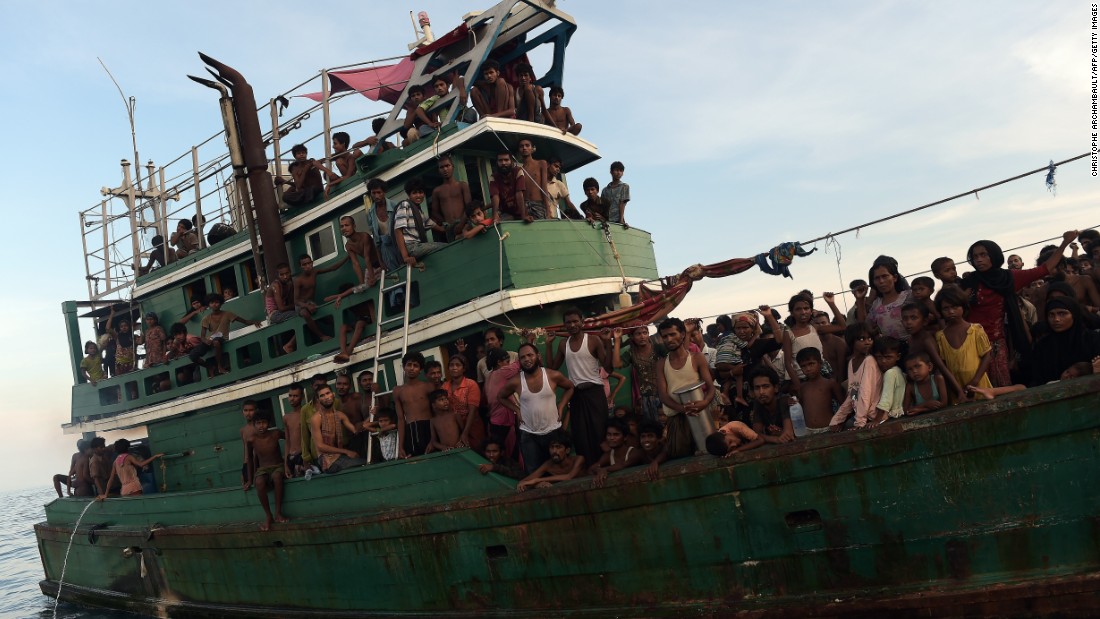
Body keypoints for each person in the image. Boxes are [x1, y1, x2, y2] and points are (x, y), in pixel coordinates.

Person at [959, 232, 1076, 386]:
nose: (979, 259)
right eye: (975, 256)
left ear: (994, 255)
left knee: (1000, 387)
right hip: (969, 344)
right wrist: (963, 298)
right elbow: (950, 306)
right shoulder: (969, 282)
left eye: (983, 255)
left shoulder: (1009, 278)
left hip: (996, 345)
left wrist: (1065, 243)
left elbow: (1044, 269)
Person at [648, 317, 715, 477]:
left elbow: (711, 388)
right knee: (681, 459)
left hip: (701, 416)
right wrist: (683, 409)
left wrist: (704, 403)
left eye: (672, 334)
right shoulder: (661, 364)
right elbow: (663, 396)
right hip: (677, 419)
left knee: (708, 455)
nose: (669, 339)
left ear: (683, 334)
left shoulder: (696, 358)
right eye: (665, 336)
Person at [545, 308, 613, 465]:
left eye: (575, 321)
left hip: (595, 392)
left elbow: (608, 368)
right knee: (580, 433)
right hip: (576, 394)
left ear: (582, 322)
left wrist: (608, 341)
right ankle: (587, 466)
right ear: (564, 325)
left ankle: (604, 464)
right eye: (568, 322)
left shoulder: (593, 340)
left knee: (599, 430)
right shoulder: (563, 344)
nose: (572, 325)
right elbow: (552, 368)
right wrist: (548, 345)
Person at [498, 342, 576, 474]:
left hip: (553, 431)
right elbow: (501, 397)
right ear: (519, 361)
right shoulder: (516, 381)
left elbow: (570, 387)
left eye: (530, 355)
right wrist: (517, 409)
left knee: (556, 468)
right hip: (529, 434)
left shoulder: (552, 375)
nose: (527, 359)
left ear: (538, 356)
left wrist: (561, 405)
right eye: (522, 357)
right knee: (533, 471)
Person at [935, 285, 993, 399]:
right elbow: (944, 365)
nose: (951, 311)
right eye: (946, 308)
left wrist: (975, 381)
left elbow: (987, 356)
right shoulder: (940, 337)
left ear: (963, 306)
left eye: (955, 307)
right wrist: (956, 388)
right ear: (940, 311)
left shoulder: (976, 330)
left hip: (979, 384)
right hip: (957, 389)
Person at [1027, 295, 1100, 385]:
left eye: (1062, 313)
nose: (1056, 319)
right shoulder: (1042, 346)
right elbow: (1036, 379)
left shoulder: (1093, 339)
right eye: (1051, 315)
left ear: (1074, 315)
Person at [782, 292, 846, 390]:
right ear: (792, 312)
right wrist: (799, 387)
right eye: (798, 309)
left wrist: (831, 303)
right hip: (803, 377)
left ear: (811, 311)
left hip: (823, 374)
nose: (803, 312)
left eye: (806, 308)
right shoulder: (789, 333)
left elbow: (842, 326)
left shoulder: (815, 328)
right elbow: (788, 363)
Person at [830, 322, 883, 430]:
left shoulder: (869, 361)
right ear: (851, 342)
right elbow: (853, 393)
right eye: (862, 339)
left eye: (870, 339)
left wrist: (860, 422)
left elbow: (865, 392)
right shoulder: (852, 362)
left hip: (872, 415)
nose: (867, 342)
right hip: (861, 415)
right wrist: (837, 420)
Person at [195, 293, 262, 376]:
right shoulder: (206, 318)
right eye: (212, 303)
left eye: (217, 302)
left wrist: (254, 322)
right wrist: (206, 341)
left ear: (221, 303)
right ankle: (210, 367)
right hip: (210, 340)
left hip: (221, 338)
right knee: (192, 355)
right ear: (209, 305)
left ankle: (220, 367)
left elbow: (245, 321)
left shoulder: (227, 314)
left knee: (216, 342)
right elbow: (202, 336)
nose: (214, 305)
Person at [245, 409, 289, 531]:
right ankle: (268, 515)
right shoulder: (251, 440)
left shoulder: (275, 434)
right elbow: (249, 459)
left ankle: (278, 513)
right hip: (263, 469)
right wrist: (249, 479)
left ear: (268, 423)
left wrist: (288, 461)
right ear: (254, 424)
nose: (261, 426)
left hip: (278, 466)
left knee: (276, 477)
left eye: (264, 422)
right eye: (258, 423)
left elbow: (290, 439)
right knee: (258, 482)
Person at [309, 384, 366, 473]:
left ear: (333, 394)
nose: (326, 397)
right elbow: (320, 446)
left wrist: (367, 420)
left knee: (363, 461)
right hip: (326, 460)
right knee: (360, 464)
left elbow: (355, 430)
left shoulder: (340, 415)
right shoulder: (316, 418)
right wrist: (346, 452)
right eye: (322, 396)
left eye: (328, 393)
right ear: (318, 400)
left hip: (340, 456)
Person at [612, 323, 662, 424]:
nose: (642, 336)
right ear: (632, 337)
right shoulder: (631, 353)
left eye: (645, 333)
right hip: (647, 398)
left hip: (664, 394)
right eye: (638, 334)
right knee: (652, 427)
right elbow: (616, 364)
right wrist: (617, 340)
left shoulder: (658, 348)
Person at [394, 178, 448, 266]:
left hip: (418, 247)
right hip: (411, 247)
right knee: (444, 247)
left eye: (420, 192)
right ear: (409, 195)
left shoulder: (419, 212)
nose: (418, 195)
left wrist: (450, 226)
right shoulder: (405, 205)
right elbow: (398, 230)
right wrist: (405, 257)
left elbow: (437, 227)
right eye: (414, 193)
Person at [858, 256, 912, 342]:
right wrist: (860, 300)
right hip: (890, 351)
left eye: (885, 276)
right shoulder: (876, 305)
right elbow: (864, 326)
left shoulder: (909, 296)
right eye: (877, 278)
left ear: (895, 278)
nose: (881, 281)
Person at [393, 351, 436, 458]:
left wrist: (433, 440)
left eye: (415, 366)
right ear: (403, 367)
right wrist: (400, 447)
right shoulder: (398, 391)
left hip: (428, 428)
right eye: (409, 365)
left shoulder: (428, 387)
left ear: (420, 369)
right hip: (410, 430)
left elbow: (437, 415)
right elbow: (401, 419)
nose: (412, 368)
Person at [516, 429, 585, 492]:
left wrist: (537, 480)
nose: (554, 451)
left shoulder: (578, 460)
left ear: (567, 450)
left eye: (558, 447)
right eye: (552, 447)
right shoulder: (548, 465)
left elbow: (569, 476)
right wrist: (537, 484)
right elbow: (524, 481)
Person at [794, 347, 844, 434]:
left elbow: (843, 405)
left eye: (811, 364)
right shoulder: (802, 387)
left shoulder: (829, 383)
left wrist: (840, 423)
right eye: (803, 366)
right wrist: (793, 403)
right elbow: (800, 408)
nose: (808, 369)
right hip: (808, 430)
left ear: (820, 363)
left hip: (828, 428)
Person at [293, 254, 339, 345]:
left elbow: (332, 268)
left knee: (326, 315)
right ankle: (322, 336)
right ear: (301, 266)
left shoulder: (314, 272)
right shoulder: (298, 280)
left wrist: (348, 256)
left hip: (311, 303)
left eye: (309, 263)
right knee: (305, 313)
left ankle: (342, 329)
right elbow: (296, 301)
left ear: (312, 263)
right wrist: (306, 306)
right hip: (301, 305)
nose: (307, 266)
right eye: (304, 264)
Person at [484, 347, 522, 461]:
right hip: (504, 422)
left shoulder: (489, 377)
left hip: (495, 422)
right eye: (506, 362)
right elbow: (521, 362)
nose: (508, 364)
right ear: (499, 362)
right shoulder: (502, 372)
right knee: (509, 455)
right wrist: (529, 340)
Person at [97, 438, 163, 499]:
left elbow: (111, 479)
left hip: (124, 490)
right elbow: (141, 464)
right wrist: (154, 456)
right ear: (127, 448)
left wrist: (105, 494)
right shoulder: (129, 457)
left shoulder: (115, 462)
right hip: (134, 487)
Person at [444, 354, 485, 449]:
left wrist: (465, 433)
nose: (454, 368)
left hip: (472, 426)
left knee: (477, 453)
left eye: (458, 365)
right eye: (451, 365)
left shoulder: (471, 384)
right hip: (454, 427)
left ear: (464, 368)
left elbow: (472, 411)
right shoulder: (445, 386)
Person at [326, 282, 374, 364]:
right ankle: (343, 351)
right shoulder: (344, 299)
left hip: (367, 319)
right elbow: (326, 299)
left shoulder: (361, 294)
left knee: (359, 324)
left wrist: (374, 323)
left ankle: (349, 351)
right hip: (358, 320)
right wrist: (340, 296)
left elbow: (372, 312)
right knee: (343, 327)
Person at [588, 418, 644, 487]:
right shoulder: (608, 455)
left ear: (625, 437)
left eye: (616, 435)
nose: (611, 438)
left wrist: (604, 469)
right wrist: (599, 470)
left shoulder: (634, 452)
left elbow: (622, 465)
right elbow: (591, 468)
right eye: (609, 434)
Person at [429, 155, 472, 241]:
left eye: (447, 166)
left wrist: (461, 223)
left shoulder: (462, 185)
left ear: (453, 166)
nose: (445, 169)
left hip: (465, 223)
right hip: (450, 227)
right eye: (442, 167)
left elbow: (469, 206)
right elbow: (434, 212)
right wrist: (446, 224)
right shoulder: (437, 191)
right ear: (439, 170)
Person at [747, 366, 795, 443]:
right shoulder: (758, 403)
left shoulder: (784, 401)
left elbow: (788, 435)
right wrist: (775, 439)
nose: (761, 392)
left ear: (775, 388)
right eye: (757, 388)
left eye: (766, 386)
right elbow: (756, 434)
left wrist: (779, 435)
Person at [366, 179, 401, 272]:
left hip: (400, 244)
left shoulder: (395, 205)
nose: (376, 196)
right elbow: (376, 240)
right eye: (373, 193)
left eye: (379, 192)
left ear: (384, 192)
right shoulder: (370, 213)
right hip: (386, 249)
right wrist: (380, 261)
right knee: (395, 274)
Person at [871, 337, 905, 424]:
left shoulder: (890, 373)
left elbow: (886, 399)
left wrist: (877, 420)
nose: (883, 361)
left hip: (892, 414)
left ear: (898, 356)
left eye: (888, 357)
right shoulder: (898, 371)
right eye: (879, 357)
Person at [338, 216, 380, 287]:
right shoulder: (348, 246)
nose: (344, 228)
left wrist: (372, 277)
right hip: (371, 267)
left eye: (347, 225)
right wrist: (361, 283)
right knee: (364, 287)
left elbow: (367, 258)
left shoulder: (364, 236)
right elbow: (355, 264)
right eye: (342, 226)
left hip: (381, 263)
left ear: (354, 226)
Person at [489, 150, 530, 222]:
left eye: (506, 160)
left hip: (522, 210)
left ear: (511, 161)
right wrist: (495, 215)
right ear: (497, 162)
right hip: (507, 212)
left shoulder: (518, 171)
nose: (503, 163)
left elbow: (519, 193)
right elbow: (495, 196)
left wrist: (523, 216)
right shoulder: (494, 177)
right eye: (500, 160)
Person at [517, 138, 552, 219]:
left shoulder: (541, 163)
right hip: (525, 206)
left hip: (539, 204)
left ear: (532, 148)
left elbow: (544, 187)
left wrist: (548, 209)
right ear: (519, 150)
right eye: (521, 146)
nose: (524, 148)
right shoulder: (519, 170)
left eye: (527, 145)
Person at [282, 384, 306, 477]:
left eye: (295, 396)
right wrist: (285, 465)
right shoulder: (286, 417)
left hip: (302, 456)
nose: (292, 399)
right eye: (290, 395)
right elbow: (287, 441)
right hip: (290, 457)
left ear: (302, 397)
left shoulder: (305, 413)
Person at [600, 161, 631, 227]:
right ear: (611, 172)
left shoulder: (624, 187)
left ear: (622, 173)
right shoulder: (605, 190)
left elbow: (622, 204)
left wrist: (621, 221)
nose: (618, 172)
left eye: (621, 171)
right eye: (616, 170)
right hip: (605, 221)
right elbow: (602, 207)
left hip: (617, 221)